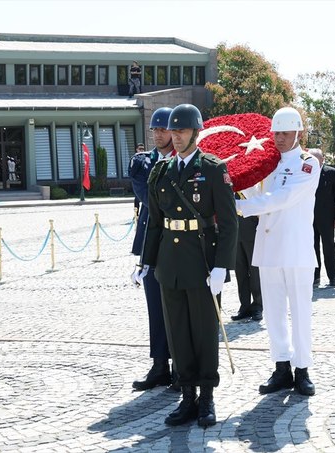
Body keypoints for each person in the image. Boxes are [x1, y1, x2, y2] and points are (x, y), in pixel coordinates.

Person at [141, 103, 238, 428]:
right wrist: (147, 261)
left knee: (204, 332)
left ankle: (207, 398)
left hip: (202, 261)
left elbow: (228, 223)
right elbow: (155, 223)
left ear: (195, 132)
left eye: (182, 131)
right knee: (178, 331)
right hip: (170, 263)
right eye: (174, 131)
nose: (176, 137)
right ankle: (187, 397)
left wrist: (222, 266)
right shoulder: (161, 172)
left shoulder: (213, 168)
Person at [236, 107, 321, 397]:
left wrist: (241, 207)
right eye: (276, 133)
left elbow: (282, 198)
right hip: (270, 246)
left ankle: (303, 369)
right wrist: (237, 185)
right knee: (273, 312)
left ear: (299, 133)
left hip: (295, 248)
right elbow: (258, 195)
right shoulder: (267, 163)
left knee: (300, 311)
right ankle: (281, 366)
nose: (280, 138)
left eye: (285, 133)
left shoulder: (308, 164)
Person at [129, 107, 178, 392]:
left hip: (179, 243)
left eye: (164, 130)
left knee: (178, 308)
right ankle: (160, 365)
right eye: (155, 130)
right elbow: (149, 198)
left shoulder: (185, 161)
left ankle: (179, 367)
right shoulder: (142, 163)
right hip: (151, 242)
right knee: (156, 308)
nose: (159, 135)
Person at [310, 148, 335, 287]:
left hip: (327, 217)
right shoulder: (305, 173)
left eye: (315, 159)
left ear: (322, 159)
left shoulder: (332, 173)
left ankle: (332, 277)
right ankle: (314, 277)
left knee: (329, 247)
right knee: (312, 248)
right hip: (309, 217)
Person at [231, 192, 263, 322]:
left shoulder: (252, 187)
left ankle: (257, 306)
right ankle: (244, 306)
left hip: (252, 231)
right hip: (235, 233)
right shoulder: (230, 186)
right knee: (240, 271)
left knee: (254, 270)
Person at [133, 143, 145, 212]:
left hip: (144, 182)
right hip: (137, 182)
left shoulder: (146, 158)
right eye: (140, 149)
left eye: (143, 149)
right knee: (137, 199)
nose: (141, 150)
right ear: (137, 149)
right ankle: (136, 215)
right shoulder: (134, 158)